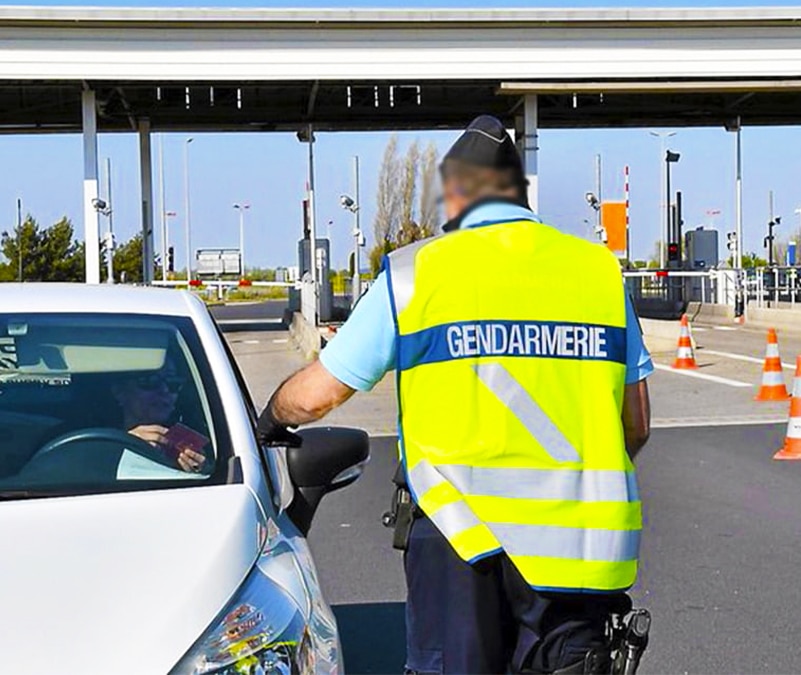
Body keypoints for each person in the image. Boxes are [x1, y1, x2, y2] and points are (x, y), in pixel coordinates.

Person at [257, 115, 654, 674]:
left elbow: (318, 395)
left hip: (461, 545)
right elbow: (635, 422)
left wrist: (268, 419)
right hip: (580, 556)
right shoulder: (596, 272)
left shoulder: (418, 273)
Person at [112, 361, 207, 473]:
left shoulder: (192, 444)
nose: (164, 390)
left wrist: (200, 469)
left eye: (173, 382)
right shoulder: (100, 445)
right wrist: (124, 445)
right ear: (119, 391)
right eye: (149, 381)